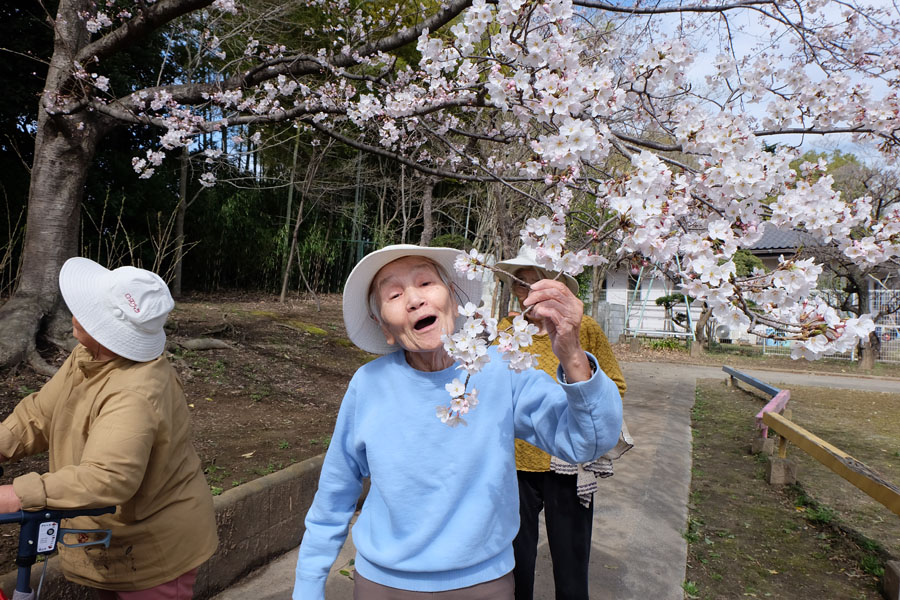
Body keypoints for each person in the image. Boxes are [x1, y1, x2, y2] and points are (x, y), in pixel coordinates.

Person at [292, 244, 623, 600]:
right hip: (382, 585)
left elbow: (590, 440)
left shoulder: (502, 369)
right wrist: (308, 585)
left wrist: (572, 354)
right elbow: (335, 494)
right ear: (384, 327)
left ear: (453, 297)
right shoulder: (368, 385)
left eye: (425, 283)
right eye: (395, 293)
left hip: (485, 584)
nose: (415, 300)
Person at [0, 258, 218, 599]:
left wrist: (16, 495)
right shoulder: (89, 355)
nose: (75, 310)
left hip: (153, 550)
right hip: (110, 540)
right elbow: (39, 414)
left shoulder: (137, 391)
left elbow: (107, 477)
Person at [495, 246, 632, 600]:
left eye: (537, 283)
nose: (529, 293)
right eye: (521, 284)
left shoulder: (582, 329)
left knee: (571, 565)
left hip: (569, 465)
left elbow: (614, 386)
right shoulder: (505, 331)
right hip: (516, 465)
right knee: (514, 564)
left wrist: (574, 389)